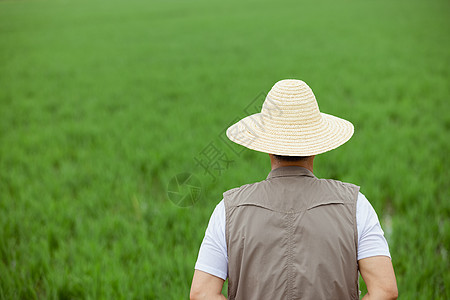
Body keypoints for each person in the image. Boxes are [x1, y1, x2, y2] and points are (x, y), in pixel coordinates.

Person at [190, 79, 398, 300]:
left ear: (267, 147)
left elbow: (202, 293)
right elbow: (384, 290)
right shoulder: (355, 205)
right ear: (316, 147)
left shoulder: (228, 210)